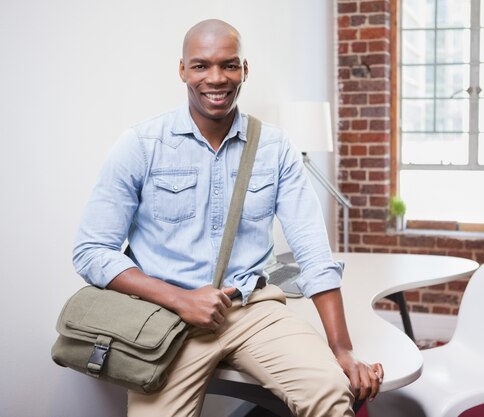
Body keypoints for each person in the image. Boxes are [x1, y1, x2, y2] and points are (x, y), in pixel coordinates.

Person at [73, 18, 384, 417]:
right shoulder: (141, 145)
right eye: (201, 65)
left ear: (244, 70)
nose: (216, 78)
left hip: (252, 309)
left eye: (229, 65)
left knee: (331, 393)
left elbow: (313, 252)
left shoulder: (275, 147)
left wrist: (342, 349)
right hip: (166, 321)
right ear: (182, 70)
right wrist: (181, 299)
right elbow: (91, 251)